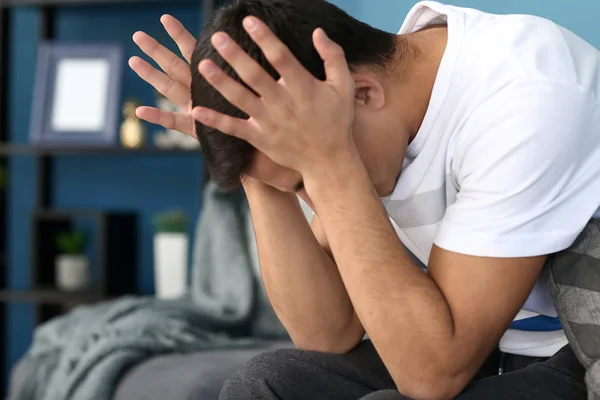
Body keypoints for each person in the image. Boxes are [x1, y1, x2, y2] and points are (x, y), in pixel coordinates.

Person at [129, 0, 600, 398]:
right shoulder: (377, 106)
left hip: (576, 351)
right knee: (267, 386)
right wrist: (251, 160)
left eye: (308, 176)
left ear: (364, 94)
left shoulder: (525, 96)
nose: (316, 194)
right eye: (302, 183)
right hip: (482, 349)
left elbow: (433, 374)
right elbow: (326, 333)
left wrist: (330, 167)